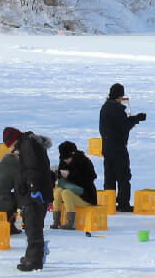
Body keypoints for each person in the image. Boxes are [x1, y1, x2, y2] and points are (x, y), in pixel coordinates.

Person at [11, 129, 54, 271]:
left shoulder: (27, 145)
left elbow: (32, 168)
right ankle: (31, 256)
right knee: (33, 225)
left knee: (33, 226)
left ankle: (34, 260)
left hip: (34, 192)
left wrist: (33, 187)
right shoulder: (32, 144)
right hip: (37, 191)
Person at [98, 83, 145, 212]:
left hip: (107, 148)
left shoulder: (105, 108)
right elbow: (123, 127)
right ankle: (123, 204)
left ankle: (110, 203)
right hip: (118, 148)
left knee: (110, 176)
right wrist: (136, 119)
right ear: (119, 96)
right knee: (123, 176)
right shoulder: (117, 110)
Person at [51, 140, 98, 229]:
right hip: (70, 190)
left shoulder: (84, 161)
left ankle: (71, 222)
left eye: (67, 158)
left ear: (73, 155)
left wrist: (70, 175)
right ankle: (56, 221)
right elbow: (62, 180)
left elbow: (91, 178)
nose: (66, 161)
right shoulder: (63, 162)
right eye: (64, 159)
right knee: (58, 191)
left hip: (85, 195)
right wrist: (58, 174)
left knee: (66, 193)